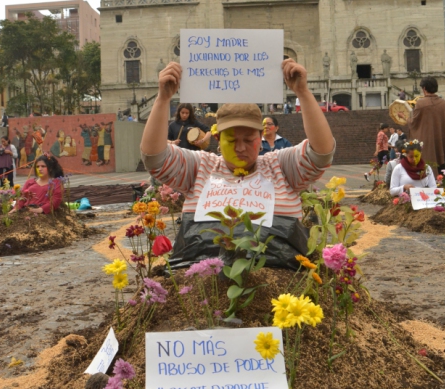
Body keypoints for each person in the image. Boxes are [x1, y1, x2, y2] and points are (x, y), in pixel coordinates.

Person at [140, 59, 335, 268]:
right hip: (206, 286)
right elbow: (155, 158)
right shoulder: (200, 166)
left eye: (249, 140)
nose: (240, 148)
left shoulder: (281, 165)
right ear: (217, 139)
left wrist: (303, 93)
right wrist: (163, 98)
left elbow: (321, 153)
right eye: (231, 140)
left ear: (261, 137)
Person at [397, 77, 445, 188]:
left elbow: (413, 123)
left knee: (427, 166)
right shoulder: (444, 104)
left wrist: (404, 117)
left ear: (424, 88)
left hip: (427, 143)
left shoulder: (421, 103)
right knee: (442, 165)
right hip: (441, 142)